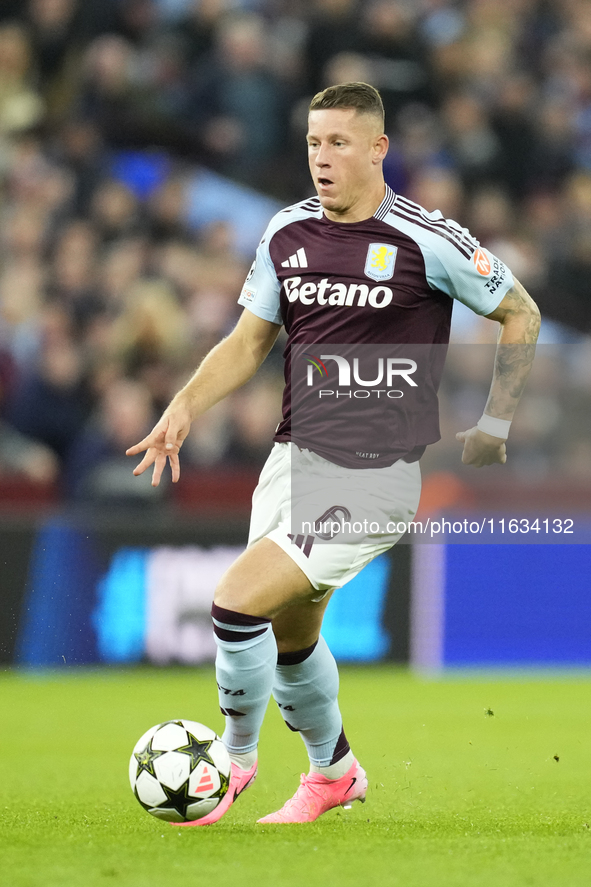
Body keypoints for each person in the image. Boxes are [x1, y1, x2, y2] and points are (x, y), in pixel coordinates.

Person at [127, 82, 541, 825]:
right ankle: (333, 772)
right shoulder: (284, 233)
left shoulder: (426, 238)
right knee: (291, 635)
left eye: (339, 143)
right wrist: (185, 404)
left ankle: (232, 760)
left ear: (378, 149)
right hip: (293, 462)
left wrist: (496, 423)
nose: (322, 157)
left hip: (374, 476)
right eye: (314, 142)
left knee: (234, 603)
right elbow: (249, 340)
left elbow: (520, 310)